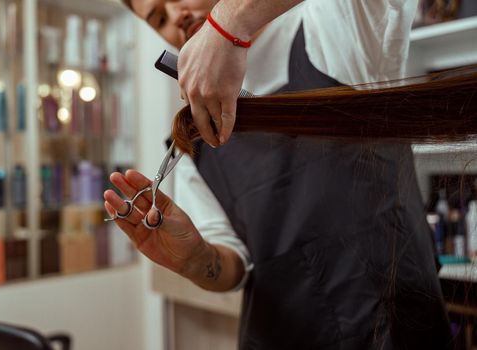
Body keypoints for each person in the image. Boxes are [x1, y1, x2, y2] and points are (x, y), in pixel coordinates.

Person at [104, 0, 454, 348]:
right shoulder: (194, 138)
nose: (177, 17)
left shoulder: (334, 24)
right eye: (159, 18)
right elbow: (232, 263)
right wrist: (196, 259)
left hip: (395, 328)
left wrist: (229, 23)